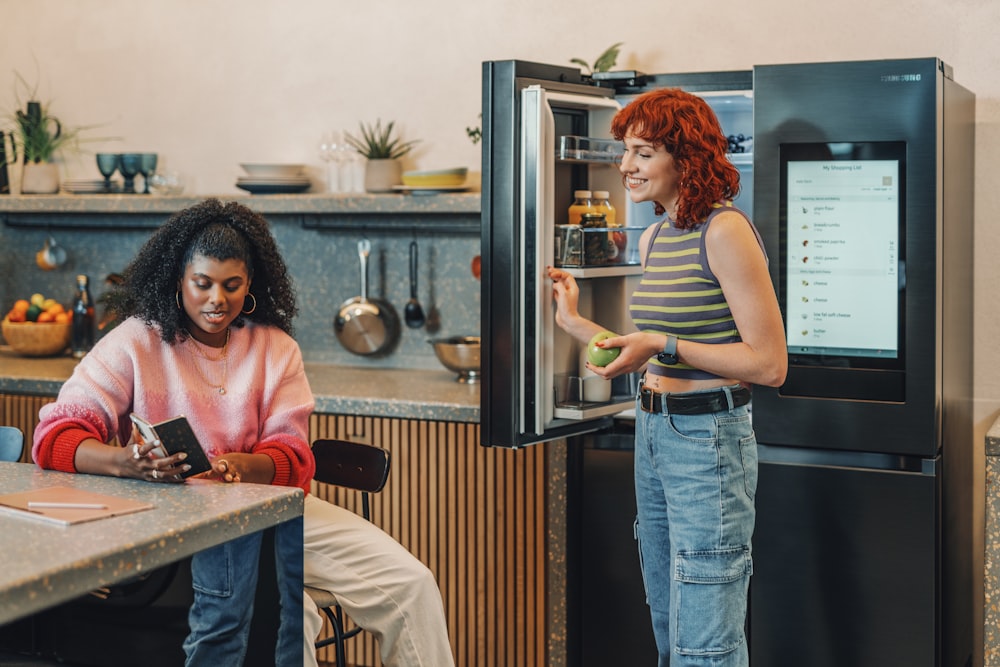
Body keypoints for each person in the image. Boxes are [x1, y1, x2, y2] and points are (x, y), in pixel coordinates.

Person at [32, 198, 455, 667]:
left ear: (250, 283)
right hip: (172, 523)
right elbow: (56, 437)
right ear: (178, 279)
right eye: (203, 284)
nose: (217, 299)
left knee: (412, 583)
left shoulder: (276, 349)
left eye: (232, 285)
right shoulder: (137, 340)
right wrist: (123, 461)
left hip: (269, 514)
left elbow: (292, 455)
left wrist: (241, 466)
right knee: (296, 615)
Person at [547, 89, 787, 666]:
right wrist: (576, 324)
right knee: (666, 617)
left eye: (644, 152)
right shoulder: (654, 239)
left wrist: (662, 343)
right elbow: (650, 352)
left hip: (708, 440)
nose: (626, 165)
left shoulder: (725, 232)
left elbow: (769, 363)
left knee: (705, 638)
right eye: (624, 151)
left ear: (686, 157)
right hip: (654, 436)